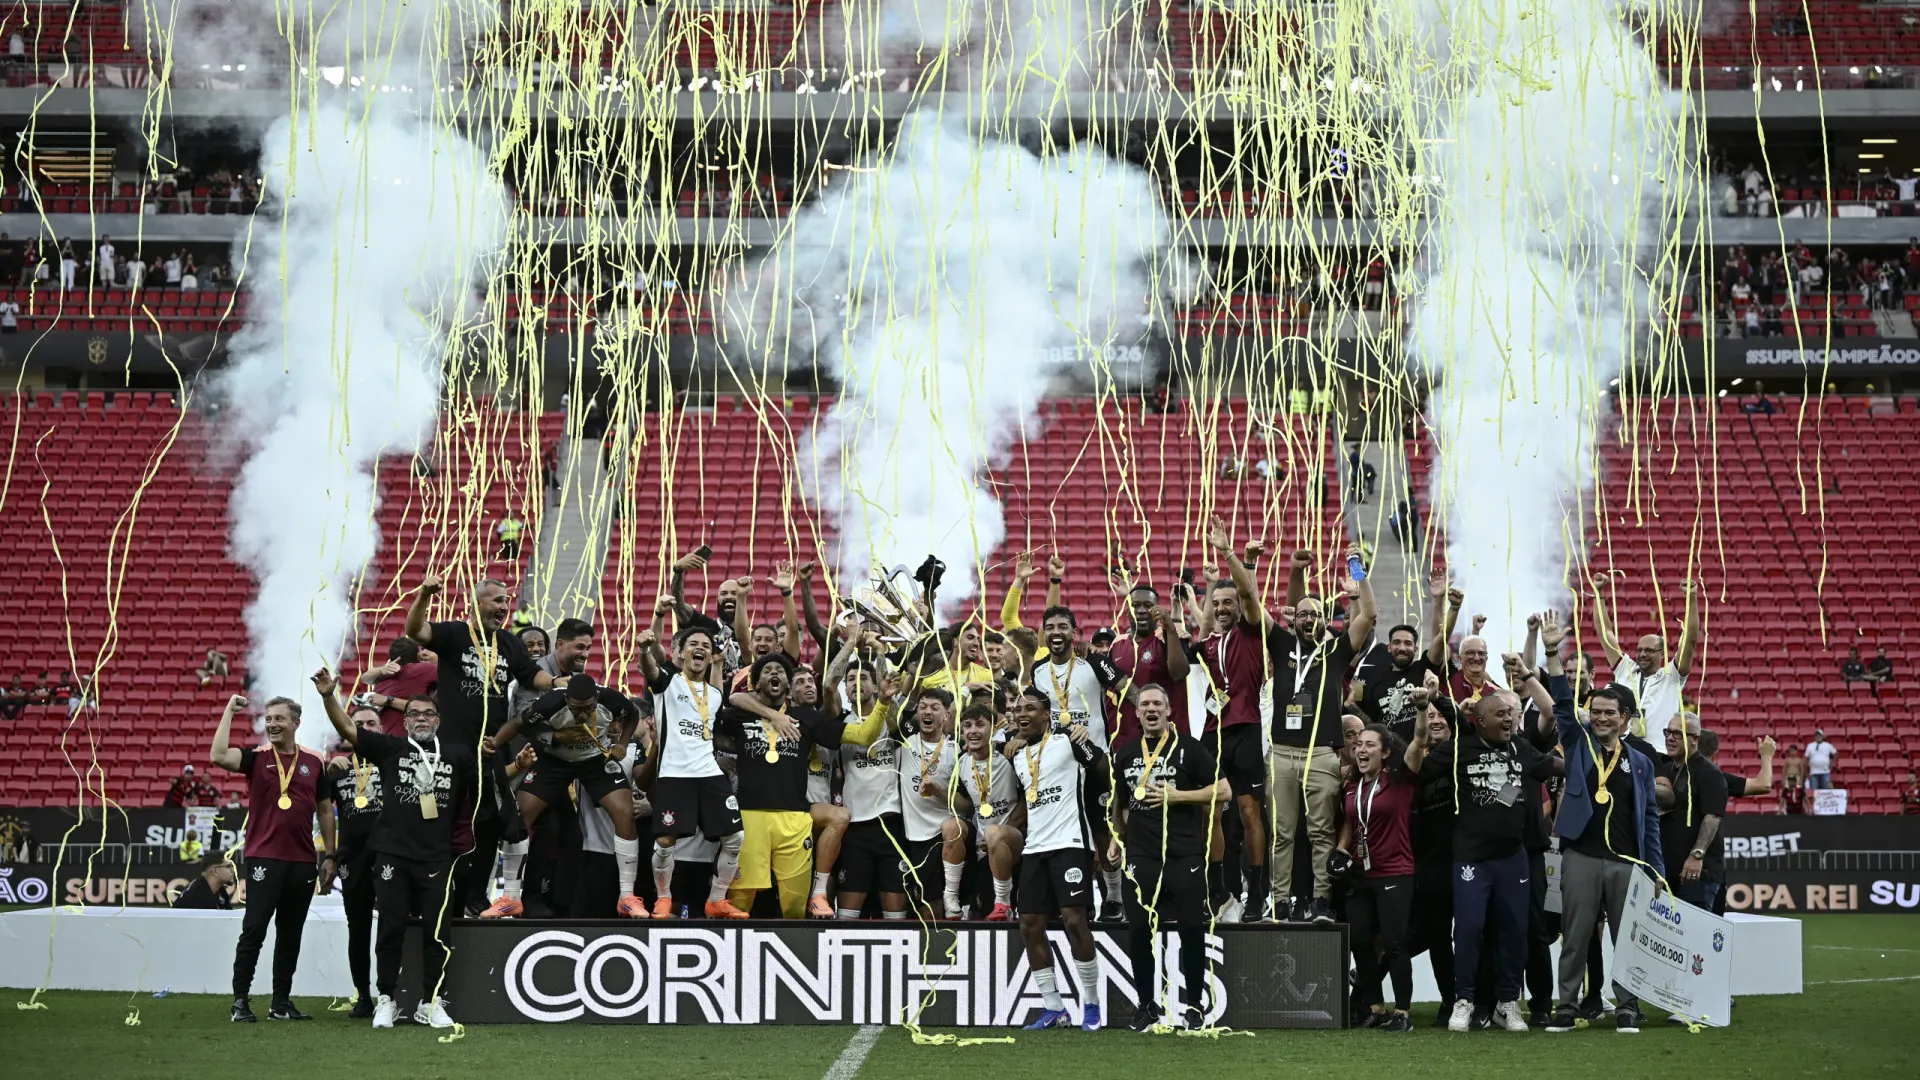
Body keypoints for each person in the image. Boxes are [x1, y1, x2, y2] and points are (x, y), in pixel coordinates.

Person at [315, 670, 474, 1030]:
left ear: (438, 720)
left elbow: (472, 800)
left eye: (428, 714)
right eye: (415, 714)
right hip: (392, 855)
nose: (421, 719)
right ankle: (386, 999)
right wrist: (329, 697)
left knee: (438, 932)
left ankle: (431, 1002)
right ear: (403, 721)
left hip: (437, 856)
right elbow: (350, 731)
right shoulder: (390, 748)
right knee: (390, 928)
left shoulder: (457, 754)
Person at [1538, 607, 1663, 1035]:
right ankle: (1568, 1006)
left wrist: (1657, 871)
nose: (1603, 717)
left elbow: (1649, 822)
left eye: (1611, 712)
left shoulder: (1642, 763)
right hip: (1583, 855)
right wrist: (1553, 651)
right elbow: (1559, 700)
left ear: (1626, 718)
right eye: (1597, 711)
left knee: (1626, 938)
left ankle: (1627, 1005)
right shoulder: (1577, 744)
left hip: (1628, 861)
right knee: (1576, 935)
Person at [405, 574, 554, 915]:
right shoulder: (455, 634)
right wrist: (425, 594)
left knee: (490, 823)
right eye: (498, 601)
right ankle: (435, 891)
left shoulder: (509, 641)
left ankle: (475, 895)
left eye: (506, 601)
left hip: (492, 749)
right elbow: (417, 630)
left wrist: (556, 681)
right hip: (453, 748)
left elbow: (531, 675)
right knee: (446, 820)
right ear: (477, 603)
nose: (505, 607)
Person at [1419, 688, 1556, 1033]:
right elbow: (1418, 770)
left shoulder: (1520, 748)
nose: (1509, 719)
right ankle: (1463, 1000)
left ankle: (1507, 1003)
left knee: (1515, 931)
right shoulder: (1458, 750)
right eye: (1500, 715)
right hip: (1470, 859)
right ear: (1479, 722)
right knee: (1467, 929)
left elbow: (1553, 766)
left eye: (1510, 715)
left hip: (1513, 858)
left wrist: (1590, 764)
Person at [209, 692, 335, 1024]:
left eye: (279, 718)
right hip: (264, 856)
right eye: (268, 719)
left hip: (303, 860)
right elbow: (218, 754)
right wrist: (228, 712)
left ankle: (280, 1003)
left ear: (296, 722)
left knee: (290, 934)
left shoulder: (314, 761)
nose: (272, 724)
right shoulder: (256, 757)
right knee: (254, 930)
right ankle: (240, 1001)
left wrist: (330, 853)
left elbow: (324, 809)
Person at [1110, 683, 1226, 1031]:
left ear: (1168, 710)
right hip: (1141, 854)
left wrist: (1179, 797)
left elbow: (1223, 789)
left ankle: (1194, 1006)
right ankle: (1146, 1005)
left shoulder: (1190, 749)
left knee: (1191, 928)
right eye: (1144, 704)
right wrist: (1117, 836)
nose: (1150, 709)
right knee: (1139, 930)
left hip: (1183, 852)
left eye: (1157, 703)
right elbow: (1118, 800)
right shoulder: (1126, 753)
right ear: (1137, 712)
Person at [482, 673, 647, 918]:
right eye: (576, 709)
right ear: (566, 699)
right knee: (519, 816)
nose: (582, 715)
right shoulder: (551, 702)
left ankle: (626, 897)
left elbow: (632, 713)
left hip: (594, 760)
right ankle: (511, 898)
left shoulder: (611, 699)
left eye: (588, 709)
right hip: (555, 760)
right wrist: (494, 742)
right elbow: (519, 725)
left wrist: (622, 742)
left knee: (624, 813)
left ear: (597, 698)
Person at [1269, 544, 1375, 923]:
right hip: (1281, 752)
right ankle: (1279, 902)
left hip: (1320, 754)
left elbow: (1369, 615)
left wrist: (1357, 572)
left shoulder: (1336, 652)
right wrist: (1296, 571)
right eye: (1303, 614)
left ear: (1325, 621)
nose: (1309, 619)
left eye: (1317, 615)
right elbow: (1256, 601)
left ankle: (1321, 901)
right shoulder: (1281, 646)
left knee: (1320, 833)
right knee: (1282, 834)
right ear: (1293, 619)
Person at [716, 651, 848, 918]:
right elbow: (725, 705)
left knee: (795, 908)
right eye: (767, 671)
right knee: (739, 904)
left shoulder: (806, 717)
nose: (774, 673)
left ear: (787, 684)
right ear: (756, 684)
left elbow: (853, 734)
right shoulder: (740, 714)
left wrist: (882, 705)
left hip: (795, 815)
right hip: (749, 815)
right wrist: (727, 753)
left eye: (780, 671)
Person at [1192, 519, 1279, 922]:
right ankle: (1217, 891)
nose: (1224, 608)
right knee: (1211, 811)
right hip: (1213, 734)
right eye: (1217, 603)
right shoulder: (1207, 645)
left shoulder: (1250, 631)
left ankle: (1258, 892)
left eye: (1229, 602)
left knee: (1248, 812)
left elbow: (1247, 590)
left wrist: (1230, 553)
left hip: (1245, 729)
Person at [1008, 686, 1108, 1031]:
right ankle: (1054, 1007)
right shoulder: (1018, 756)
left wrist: (1081, 737)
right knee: (1029, 925)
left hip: (1070, 844)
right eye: (1018, 709)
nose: (1023, 714)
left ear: (1047, 714)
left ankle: (1092, 1004)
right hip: (1035, 848)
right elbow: (1028, 800)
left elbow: (1102, 768)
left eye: (1031, 708)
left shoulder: (1068, 742)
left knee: (1073, 921)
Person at [636, 625, 751, 919]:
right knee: (665, 842)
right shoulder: (668, 683)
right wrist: (645, 649)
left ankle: (716, 899)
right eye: (693, 644)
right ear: (681, 653)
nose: (699, 648)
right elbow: (649, 670)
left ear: (711, 654)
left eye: (705, 645)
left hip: (708, 773)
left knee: (735, 837)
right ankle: (663, 899)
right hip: (675, 773)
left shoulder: (714, 694)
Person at [1033, 603, 1124, 917]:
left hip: (1096, 762)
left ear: (1074, 632)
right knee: (1067, 833)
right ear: (1043, 634)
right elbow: (1039, 716)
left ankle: (1113, 897)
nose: (1056, 632)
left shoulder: (1093, 664)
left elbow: (1128, 690)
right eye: (1051, 627)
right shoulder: (1037, 671)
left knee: (1102, 829)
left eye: (1063, 627)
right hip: (1059, 767)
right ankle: (1076, 901)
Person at [1337, 724, 1417, 1032]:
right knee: (1360, 940)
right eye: (1358, 744)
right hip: (1359, 873)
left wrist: (1422, 712)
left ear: (1385, 753)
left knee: (1394, 943)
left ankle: (1403, 1013)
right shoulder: (1351, 785)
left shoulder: (1398, 780)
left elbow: (1418, 739)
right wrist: (1341, 850)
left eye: (1370, 745)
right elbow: (1349, 820)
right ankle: (1375, 1008)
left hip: (1394, 870)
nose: (1361, 749)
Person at [323, 701, 384, 1017]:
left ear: (381, 728)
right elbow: (323, 814)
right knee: (357, 929)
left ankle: (391, 993)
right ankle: (363, 997)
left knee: (393, 926)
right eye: (358, 723)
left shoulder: (394, 763)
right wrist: (330, 855)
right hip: (352, 859)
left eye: (371, 723)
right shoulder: (338, 769)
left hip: (390, 856)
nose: (365, 728)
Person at [1589, 577, 1701, 739]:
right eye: (1639, 650)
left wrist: (1691, 598)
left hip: (1659, 754)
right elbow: (1605, 632)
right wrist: (1598, 593)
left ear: (1662, 654)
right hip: (1623, 753)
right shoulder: (1625, 670)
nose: (1642, 654)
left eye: (1649, 650)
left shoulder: (1672, 676)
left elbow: (1690, 640)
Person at [949, 702, 1024, 920]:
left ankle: (1005, 902)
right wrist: (939, 790)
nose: (973, 731)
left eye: (980, 725)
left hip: (1017, 842)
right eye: (967, 726)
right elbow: (965, 805)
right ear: (962, 732)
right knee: (981, 916)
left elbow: (1026, 801)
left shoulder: (1009, 755)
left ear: (992, 730)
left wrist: (1002, 832)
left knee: (994, 833)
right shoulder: (961, 763)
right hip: (983, 848)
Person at [896, 688, 959, 918]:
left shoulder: (957, 750)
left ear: (946, 715)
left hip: (942, 837)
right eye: (923, 707)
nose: (927, 712)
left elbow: (966, 806)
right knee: (916, 907)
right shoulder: (903, 742)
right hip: (910, 837)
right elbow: (892, 709)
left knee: (934, 907)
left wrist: (940, 791)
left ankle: (940, 951)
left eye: (934, 707)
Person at [1106, 582, 1192, 748]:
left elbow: (1180, 672)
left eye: (1148, 605)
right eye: (1135, 605)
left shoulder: (1167, 637)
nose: (1141, 610)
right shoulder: (1117, 644)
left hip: (1168, 741)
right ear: (1127, 610)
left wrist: (1171, 629)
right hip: (1126, 742)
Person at [1657, 712, 1728, 911]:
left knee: (1693, 938)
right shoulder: (1666, 769)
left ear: (1694, 739)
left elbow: (1712, 817)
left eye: (1678, 734)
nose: (1670, 738)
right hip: (1669, 871)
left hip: (1697, 873)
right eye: (1668, 732)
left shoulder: (1709, 772)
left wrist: (1696, 857)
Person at [362, 637, 438, 733]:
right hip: (406, 741)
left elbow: (365, 678)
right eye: (422, 649)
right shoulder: (424, 669)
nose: (424, 653)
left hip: (384, 739)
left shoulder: (381, 680)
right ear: (418, 656)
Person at [171, 853, 237, 910]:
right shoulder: (198, 897)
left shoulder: (218, 889)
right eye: (228, 866)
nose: (233, 870)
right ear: (215, 871)